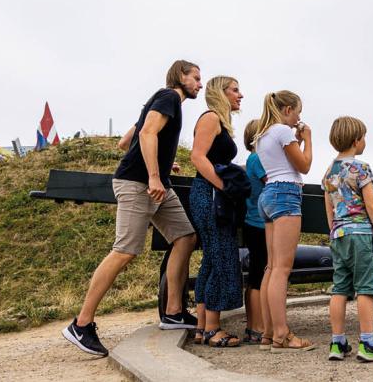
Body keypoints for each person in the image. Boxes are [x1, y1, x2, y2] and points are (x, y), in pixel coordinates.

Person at [63, 60, 202, 356]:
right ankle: (81, 323)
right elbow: (146, 134)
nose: (200, 85)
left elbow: (126, 140)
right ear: (181, 76)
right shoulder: (168, 97)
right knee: (125, 250)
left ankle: (174, 312)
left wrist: (162, 163)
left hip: (155, 183)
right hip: (139, 184)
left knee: (185, 236)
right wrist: (152, 173)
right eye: (196, 78)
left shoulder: (161, 101)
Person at [322, 116, 373, 362]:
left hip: (338, 235)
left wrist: (334, 233)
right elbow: (371, 205)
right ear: (356, 141)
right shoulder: (360, 168)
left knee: (340, 288)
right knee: (365, 288)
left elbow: (329, 210)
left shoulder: (329, 172)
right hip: (362, 234)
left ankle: (337, 342)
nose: (365, 141)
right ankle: (368, 342)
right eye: (364, 137)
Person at [254, 90, 316, 352]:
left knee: (271, 267)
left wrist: (297, 143)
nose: (299, 118)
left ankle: (268, 334)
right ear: (288, 109)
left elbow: (286, 163)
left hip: (268, 196)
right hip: (286, 195)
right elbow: (303, 166)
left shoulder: (263, 135)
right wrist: (308, 139)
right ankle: (282, 334)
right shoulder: (282, 131)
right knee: (282, 269)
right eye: (298, 112)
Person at [189, 76, 244, 347]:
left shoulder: (219, 121)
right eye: (235, 90)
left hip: (208, 193)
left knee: (212, 258)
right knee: (222, 256)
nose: (240, 95)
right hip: (209, 194)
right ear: (220, 92)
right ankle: (213, 329)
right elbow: (197, 156)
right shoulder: (211, 118)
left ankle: (202, 327)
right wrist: (224, 185)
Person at [241, 119, 267, 344]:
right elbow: (274, 181)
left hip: (252, 222)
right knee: (259, 276)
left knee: (255, 278)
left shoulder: (251, 158)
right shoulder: (258, 158)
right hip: (260, 224)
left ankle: (252, 325)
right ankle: (258, 326)